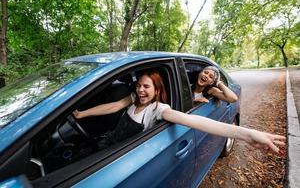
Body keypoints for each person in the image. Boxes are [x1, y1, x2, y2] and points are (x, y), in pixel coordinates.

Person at [73, 69, 285, 154]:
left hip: (118, 153)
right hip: (109, 143)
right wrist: (83, 114)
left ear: (157, 90)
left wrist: (247, 134)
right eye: (139, 86)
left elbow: (194, 121)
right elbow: (113, 106)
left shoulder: (158, 109)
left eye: (147, 87)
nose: (140, 90)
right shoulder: (134, 98)